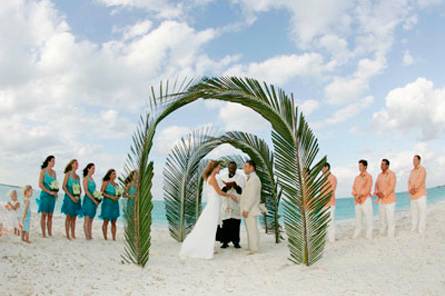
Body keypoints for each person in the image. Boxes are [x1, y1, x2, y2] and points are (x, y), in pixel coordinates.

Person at [180, 160, 236, 259]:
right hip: (213, 204)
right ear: (214, 168)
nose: (220, 169)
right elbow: (219, 192)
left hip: (214, 203)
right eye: (219, 167)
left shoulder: (211, 178)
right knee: (211, 225)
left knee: (211, 225)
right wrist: (230, 195)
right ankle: (208, 247)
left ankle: (210, 246)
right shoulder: (212, 178)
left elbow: (222, 186)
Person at [216, 161, 245, 249]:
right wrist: (227, 187)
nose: (232, 169)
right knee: (226, 223)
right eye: (230, 168)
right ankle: (225, 242)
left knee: (235, 223)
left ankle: (236, 242)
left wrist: (235, 186)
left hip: (235, 203)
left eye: (233, 168)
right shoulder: (222, 177)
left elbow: (241, 191)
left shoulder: (240, 177)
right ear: (228, 168)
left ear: (236, 168)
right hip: (226, 202)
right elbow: (221, 191)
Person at [240, 160, 262, 254]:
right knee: (249, 228)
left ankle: (254, 249)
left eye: (246, 166)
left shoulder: (254, 179)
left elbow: (252, 196)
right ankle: (251, 247)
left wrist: (246, 209)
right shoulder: (249, 178)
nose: (244, 168)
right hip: (248, 208)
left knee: (252, 229)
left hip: (251, 208)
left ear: (251, 167)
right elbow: (246, 195)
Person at [375, 159, 397, 238]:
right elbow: (376, 186)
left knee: (390, 218)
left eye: (383, 164)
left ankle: (391, 234)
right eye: (381, 164)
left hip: (390, 200)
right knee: (382, 218)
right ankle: (382, 233)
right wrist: (377, 193)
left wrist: (383, 194)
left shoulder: (392, 174)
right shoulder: (379, 175)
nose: (381, 166)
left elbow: (391, 187)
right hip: (381, 200)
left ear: (387, 165)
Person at [61, 159, 83, 240]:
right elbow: (63, 187)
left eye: (78, 163)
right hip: (69, 197)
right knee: (69, 216)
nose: (77, 164)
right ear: (72, 165)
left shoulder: (78, 177)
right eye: (76, 163)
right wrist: (71, 197)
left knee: (74, 217)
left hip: (77, 198)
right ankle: (67, 235)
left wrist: (79, 195)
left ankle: (73, 234)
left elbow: (80, 188)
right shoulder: (68, 174)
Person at [352, 160, 374, 240]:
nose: (359, 167)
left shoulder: (369, 176)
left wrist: (360, 195)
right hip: (357, 201)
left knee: (368, 218)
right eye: (359, 165)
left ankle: (369, 235)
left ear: (365, 166)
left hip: (366, 200)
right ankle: (357, 234)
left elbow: (368, 188)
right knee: (358, 219)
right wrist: (356, 196)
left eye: (361, 165)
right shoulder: (356, 178)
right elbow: (353, 188)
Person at [38, 155, 58, 237]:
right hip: (45, 195)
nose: (54, 162)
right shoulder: (43, 171)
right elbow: (40, 184)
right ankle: (43, 233)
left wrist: (56, 192)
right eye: (52, 161)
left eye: (54, 161)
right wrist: (49, 192)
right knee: (44, 215)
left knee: (50, 215)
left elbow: (55, 184)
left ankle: (50, 233)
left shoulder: (54, 172)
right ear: (48, 161)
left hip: (52, 197)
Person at [408, 155, 427, 234]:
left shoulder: (422, 169)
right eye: (413, 160)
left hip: (420, 195)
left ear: (419, 161)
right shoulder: (412, 171)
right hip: (413, 196)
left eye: (415, 160)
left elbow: (420, 181)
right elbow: (409, 181)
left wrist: (414, 189)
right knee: (414, 213)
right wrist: (410, 189)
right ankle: (413, 228)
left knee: (422, 213)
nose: (414, 161)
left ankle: (421, 230)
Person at [100, 169, 121, 240]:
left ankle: (114, 238)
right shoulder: (106, 183)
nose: (115, 175)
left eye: (115, 174)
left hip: (115, 204)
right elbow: (101, 192)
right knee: (106, 221)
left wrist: (117, 197)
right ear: (109, 175)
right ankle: (105, 237)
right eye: (113, 174)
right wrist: (110, 196)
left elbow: (119, 194)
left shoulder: (116, 185)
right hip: (107, 204)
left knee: (114, 222)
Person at [82, 163, 99, 240]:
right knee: (87, 219)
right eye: (92, 168)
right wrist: (93, 200)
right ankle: (87, 236)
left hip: (94, 201)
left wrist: (98, 198)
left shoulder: (92, 178)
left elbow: (94, 190)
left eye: (94, 169)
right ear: (88, 169)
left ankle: (90, 235)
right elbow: (86, 191)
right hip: (88, 200)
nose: (94, 170)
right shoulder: (86, 178)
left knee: (91, 219)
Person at [322, 162, 337, 243]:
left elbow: (331, 191)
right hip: (324, 204)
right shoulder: (323, 179)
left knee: (331, 223)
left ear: (327, 167)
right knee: (326, 223)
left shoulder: (332, 178)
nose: (321, 170)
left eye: (322, 168)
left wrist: (322, 197)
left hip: (330, 203)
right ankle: (328, 239)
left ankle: (332, 240)